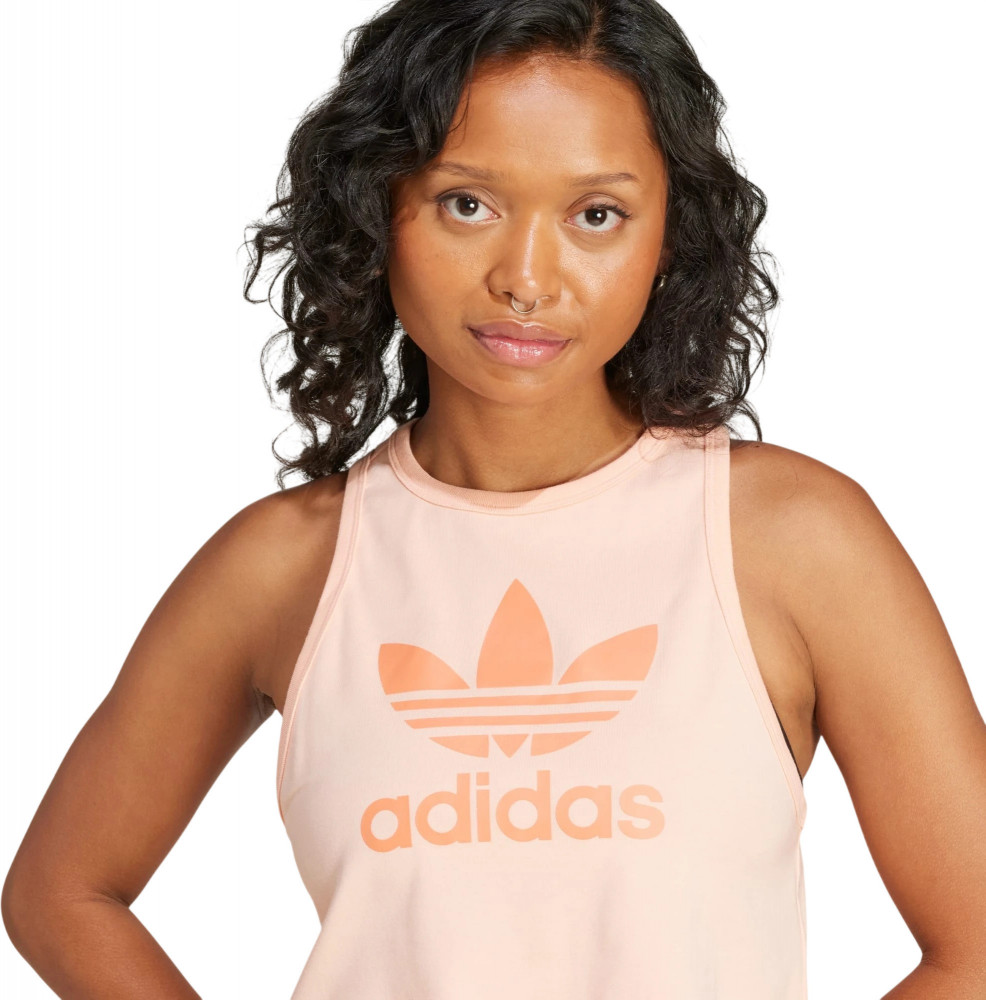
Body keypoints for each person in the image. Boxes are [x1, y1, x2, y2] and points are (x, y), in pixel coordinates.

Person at [4, 0, 985, 996]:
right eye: (467, 203)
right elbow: (62, 891)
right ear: (376, 207)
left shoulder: (794, 541)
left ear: (669, 234)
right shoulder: (283, 565)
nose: (525, 279)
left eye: (595, 215)